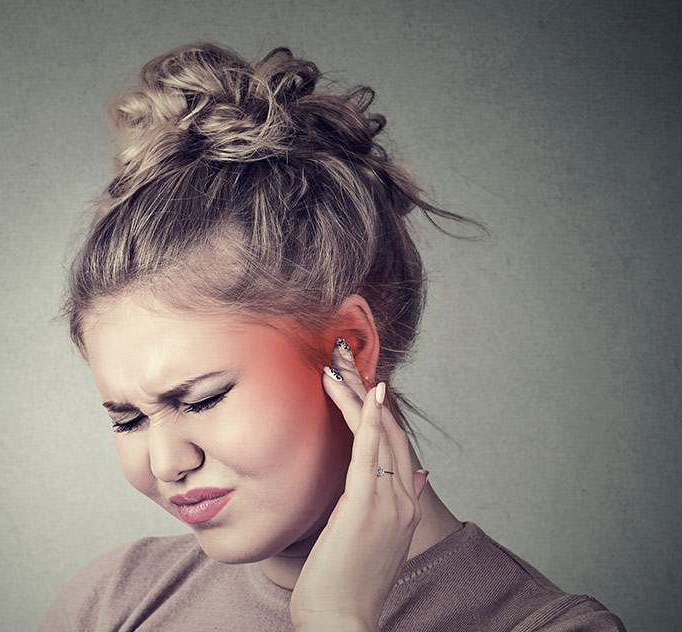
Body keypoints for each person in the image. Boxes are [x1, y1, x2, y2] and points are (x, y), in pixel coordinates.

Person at [40, 43, 626, 632]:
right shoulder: (112, 603)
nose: (166, 463)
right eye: (127, 420)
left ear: (350, 347)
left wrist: (336, 618)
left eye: (201, 399)